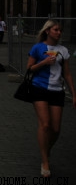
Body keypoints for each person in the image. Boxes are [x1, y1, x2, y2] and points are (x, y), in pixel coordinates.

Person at [25, 20, 76, 177]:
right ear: (47, 31)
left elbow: (67, 73)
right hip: (39, 88)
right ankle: (45, 160)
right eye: (55, 30)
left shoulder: (63, 50)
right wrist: (44, 62)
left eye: (60, 30)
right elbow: (29, 69)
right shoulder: (38, 48)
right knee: (45, 124)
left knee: (56, 129)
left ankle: (46, 149)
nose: (59, 33)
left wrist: (74, 94)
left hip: (57, 90)